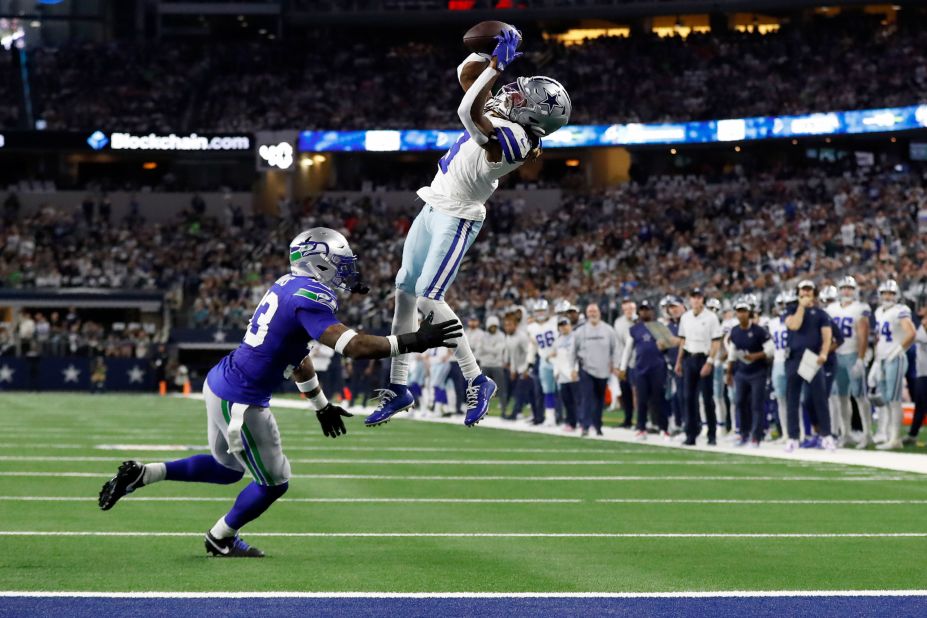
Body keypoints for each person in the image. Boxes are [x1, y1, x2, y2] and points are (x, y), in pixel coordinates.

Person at [97, 228, 461, 558]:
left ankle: (144, 474)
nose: (348, 269)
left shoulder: (287, 284)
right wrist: (414, 340)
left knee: (227, 469)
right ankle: (220, 537)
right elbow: (354, 346)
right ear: (319, 263)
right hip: (242, 399)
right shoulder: (311, 295)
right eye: (340, 262)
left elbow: (298, 358)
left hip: (223, 381)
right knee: (275, 483)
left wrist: (321, 405)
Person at [369, 29, 572, 428]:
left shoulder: (515, 138)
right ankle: (399, 385)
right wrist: (488, 52)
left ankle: (476, 378)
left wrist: (496, 65)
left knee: (429, 298)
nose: (516, 94)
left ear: (534, 117)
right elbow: (466, 75)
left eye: (524, 98)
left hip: (459, 214)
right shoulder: (512, 118)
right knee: (405, 294)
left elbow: (467, 112)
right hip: (434, 201)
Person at [784, 280, 835, 452]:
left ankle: (826, 435)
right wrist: (801, 307)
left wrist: (824, 353)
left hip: (811, 357)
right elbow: (794, 325)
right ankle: (793, 438)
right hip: (793, 356)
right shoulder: (791, 309)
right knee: (792, 399)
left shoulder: (820, 313)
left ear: (814, 292)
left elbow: (827, 336)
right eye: (802, 290)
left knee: (819, 398)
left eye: (808, 290)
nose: (805, 293)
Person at [619, 300, 676, 441]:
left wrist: (666, 348)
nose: (645, 312)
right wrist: (622, 367)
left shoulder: (660, 327)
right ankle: (641, 428)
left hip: (658, 368)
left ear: (652, 311)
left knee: (659, 399)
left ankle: (664, 429)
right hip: (640, 368)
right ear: (639, 312)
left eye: (647, 309)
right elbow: (628, 349)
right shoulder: (635, 329)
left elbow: (670, 346)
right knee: (641, 400)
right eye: (642, 310)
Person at [826, 276, 872, 448]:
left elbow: (863, 334)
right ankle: (846, 433)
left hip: (852, 354)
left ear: (855, 290)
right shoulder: (831, 309)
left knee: (860, 395)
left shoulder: (860, 308)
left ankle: (867, 434)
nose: (846, 291)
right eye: (844, 288)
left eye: (849, 288)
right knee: (841, 397)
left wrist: (860, 358)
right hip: (836, 356)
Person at [870, 279, 916, 450]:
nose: (888, 296)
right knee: (887, 399)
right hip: (882, 358)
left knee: (894, 399)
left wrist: (898, 350)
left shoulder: (901, 310)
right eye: (885, 293)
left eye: (891, 293)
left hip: (895, 358)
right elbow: (878, 338)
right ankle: (890, 435)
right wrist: (876, 360)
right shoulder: (879, 312)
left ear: (897, 295)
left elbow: (911, 333)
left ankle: (895, 438)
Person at [674, 288, 723, 446]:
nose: (696, 300)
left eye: (698, 297)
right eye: (693, 297)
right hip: (689, 357)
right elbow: (683, 340)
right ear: (690, 300)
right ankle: (691, 433)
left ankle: (712, 434)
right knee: (689, 398)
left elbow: (716, 341)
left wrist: (710, 361)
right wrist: (679, 361)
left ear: (703, 299)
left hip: (704, 357)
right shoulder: (686, 317)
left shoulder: (711, 317)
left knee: (707, 399)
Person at [726, 297, 773, 447]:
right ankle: (743, 433)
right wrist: (729, 372)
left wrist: (756, 356)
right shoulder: (735, 331)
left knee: (756, 404)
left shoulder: (759, 331)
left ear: (749, 313)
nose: (741, 315)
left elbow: (770, 350)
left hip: (757, 371)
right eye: (739, 312)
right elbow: (732, 353)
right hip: (741, 372)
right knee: (740, 402)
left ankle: (756, 436)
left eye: (744, 311)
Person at [572, 304, 621, 437]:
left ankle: (597, 425)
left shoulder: (608, 330)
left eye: (595, 311)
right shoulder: (580, 331)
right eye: (590, 311)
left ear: (599, 312)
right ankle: (585, 426)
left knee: (600, 400)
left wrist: (616, 365)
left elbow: (616, 349)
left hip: (603, 369)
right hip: (586, 368)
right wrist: (573, 368)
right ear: (586, 314)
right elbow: (573, 351)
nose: (592, 314)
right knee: (587, 397)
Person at [526, 299, 559, 426]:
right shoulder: (532, 328)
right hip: (544, 360)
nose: (540, 313)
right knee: (547, 390)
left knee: (563, 390)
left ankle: (567, 417)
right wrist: (530, 362)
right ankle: (550, 417)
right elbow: (533, 346)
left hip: (559, 359)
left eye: (542, 310)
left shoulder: (555, 321)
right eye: (538, 311)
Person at [502, 313, 535, 421]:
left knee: (520, 392)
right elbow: (512, 356)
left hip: (526, 368)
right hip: (518, 368)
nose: (507, 327)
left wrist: (527, 369)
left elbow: (529, 352)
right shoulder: (508, 337)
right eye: (506, 325)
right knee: (529, 394)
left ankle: (515, 414)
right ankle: (534, 414)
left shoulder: (522, 337)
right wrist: (512, 370)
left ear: (515, 325)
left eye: (510, 325)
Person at [904, 305, 927, 444]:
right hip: (922, 371)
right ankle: (913, 434)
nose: (920, 309)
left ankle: (913, 434)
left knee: (921, 404)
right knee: (920, 404)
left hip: (925, 372)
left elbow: (918, 339)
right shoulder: (922, 324)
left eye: (924, 307)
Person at [613, 298, 637, 428]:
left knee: (638, 393)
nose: (629, 311)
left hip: (637, 362)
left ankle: (642, 420)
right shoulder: (618, 323)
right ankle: (627, 419)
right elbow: (617, 345)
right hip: (623, 362)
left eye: (631, 309)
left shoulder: (640, 321)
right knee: (625, 391)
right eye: (626, 309)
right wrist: (617, 364)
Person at [553, 316, 579, 432]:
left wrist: (576, 370)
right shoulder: (558, 341)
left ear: (570, 325)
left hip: (573, 373)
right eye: (561, 325)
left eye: (565, 324)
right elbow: (557, 357)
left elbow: (578, 356)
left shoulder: (575, 338)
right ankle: (571, 422)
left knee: (577, 400)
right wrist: (556, 372)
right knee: (567, 401)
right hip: (563, 376)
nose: (563, 327)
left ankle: (583, 421)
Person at [479, 316, 507, 414]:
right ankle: (482, 410)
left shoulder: (501, 335)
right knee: (482, 389)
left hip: (497, 365)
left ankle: (503, 410)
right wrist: (492, 350)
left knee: (501, 388)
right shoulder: (483, 335)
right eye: (491, 326)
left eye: (495, 326)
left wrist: (487, 349)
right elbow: (479, 350)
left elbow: (498, 350)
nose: (493, 328)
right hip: (485, 364)